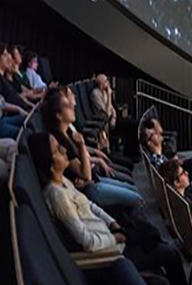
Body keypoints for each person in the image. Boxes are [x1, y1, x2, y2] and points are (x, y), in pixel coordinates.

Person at [28, 131, 192, 285]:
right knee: (169, 254)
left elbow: (91, 206)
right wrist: (117, 238)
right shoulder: (57, 196)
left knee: (155, 241)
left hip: (111, 238)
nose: (63, 148)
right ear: (50, 164)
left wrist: (112, 223)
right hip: (109, 254)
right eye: (57, 150)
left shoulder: (64, 182)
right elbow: (87, 242)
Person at [42, 87, 143, 216]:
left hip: (95, 179)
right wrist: (82, 145)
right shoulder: (60, 140)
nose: (73, 107)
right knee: (138, 200)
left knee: (134, 189)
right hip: (91, 189)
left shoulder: (67, 133)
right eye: (67, 105)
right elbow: (85, 175)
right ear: (58, 114)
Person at [142, 118, 192, 183]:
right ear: (149, 143)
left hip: (178, 175)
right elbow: (166, 172)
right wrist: (175, 163)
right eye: (153, 134)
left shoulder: (160, 154)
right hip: (177, 181)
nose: (157, 133)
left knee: (191, 163)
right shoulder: (155, 158)